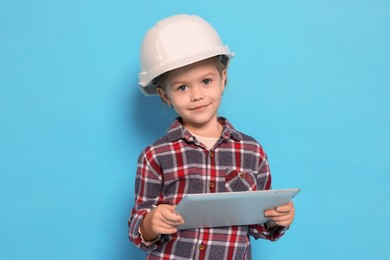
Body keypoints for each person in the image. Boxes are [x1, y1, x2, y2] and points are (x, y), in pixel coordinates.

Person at [128, 14, 295, 259]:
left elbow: (260, 223)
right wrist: (151, 223)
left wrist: (278, 217)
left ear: (223, 81)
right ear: (165, 96)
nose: (197, 95)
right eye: (182, 87)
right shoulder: (155, 156)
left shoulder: (251, 151)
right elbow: (138, 226)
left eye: (206, 81)